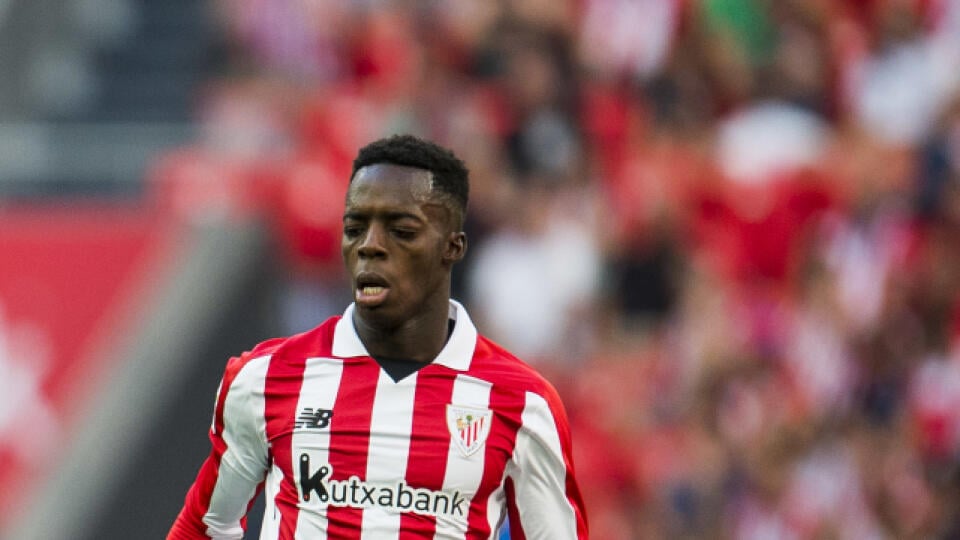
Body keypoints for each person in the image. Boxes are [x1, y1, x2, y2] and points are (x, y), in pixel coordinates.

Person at [167, 134, 589, 539]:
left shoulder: (522, 404)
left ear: (453, 247)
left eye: (401, 231)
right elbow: (204, 528)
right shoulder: (266, 377)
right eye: (355, 227)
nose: (370, 246)